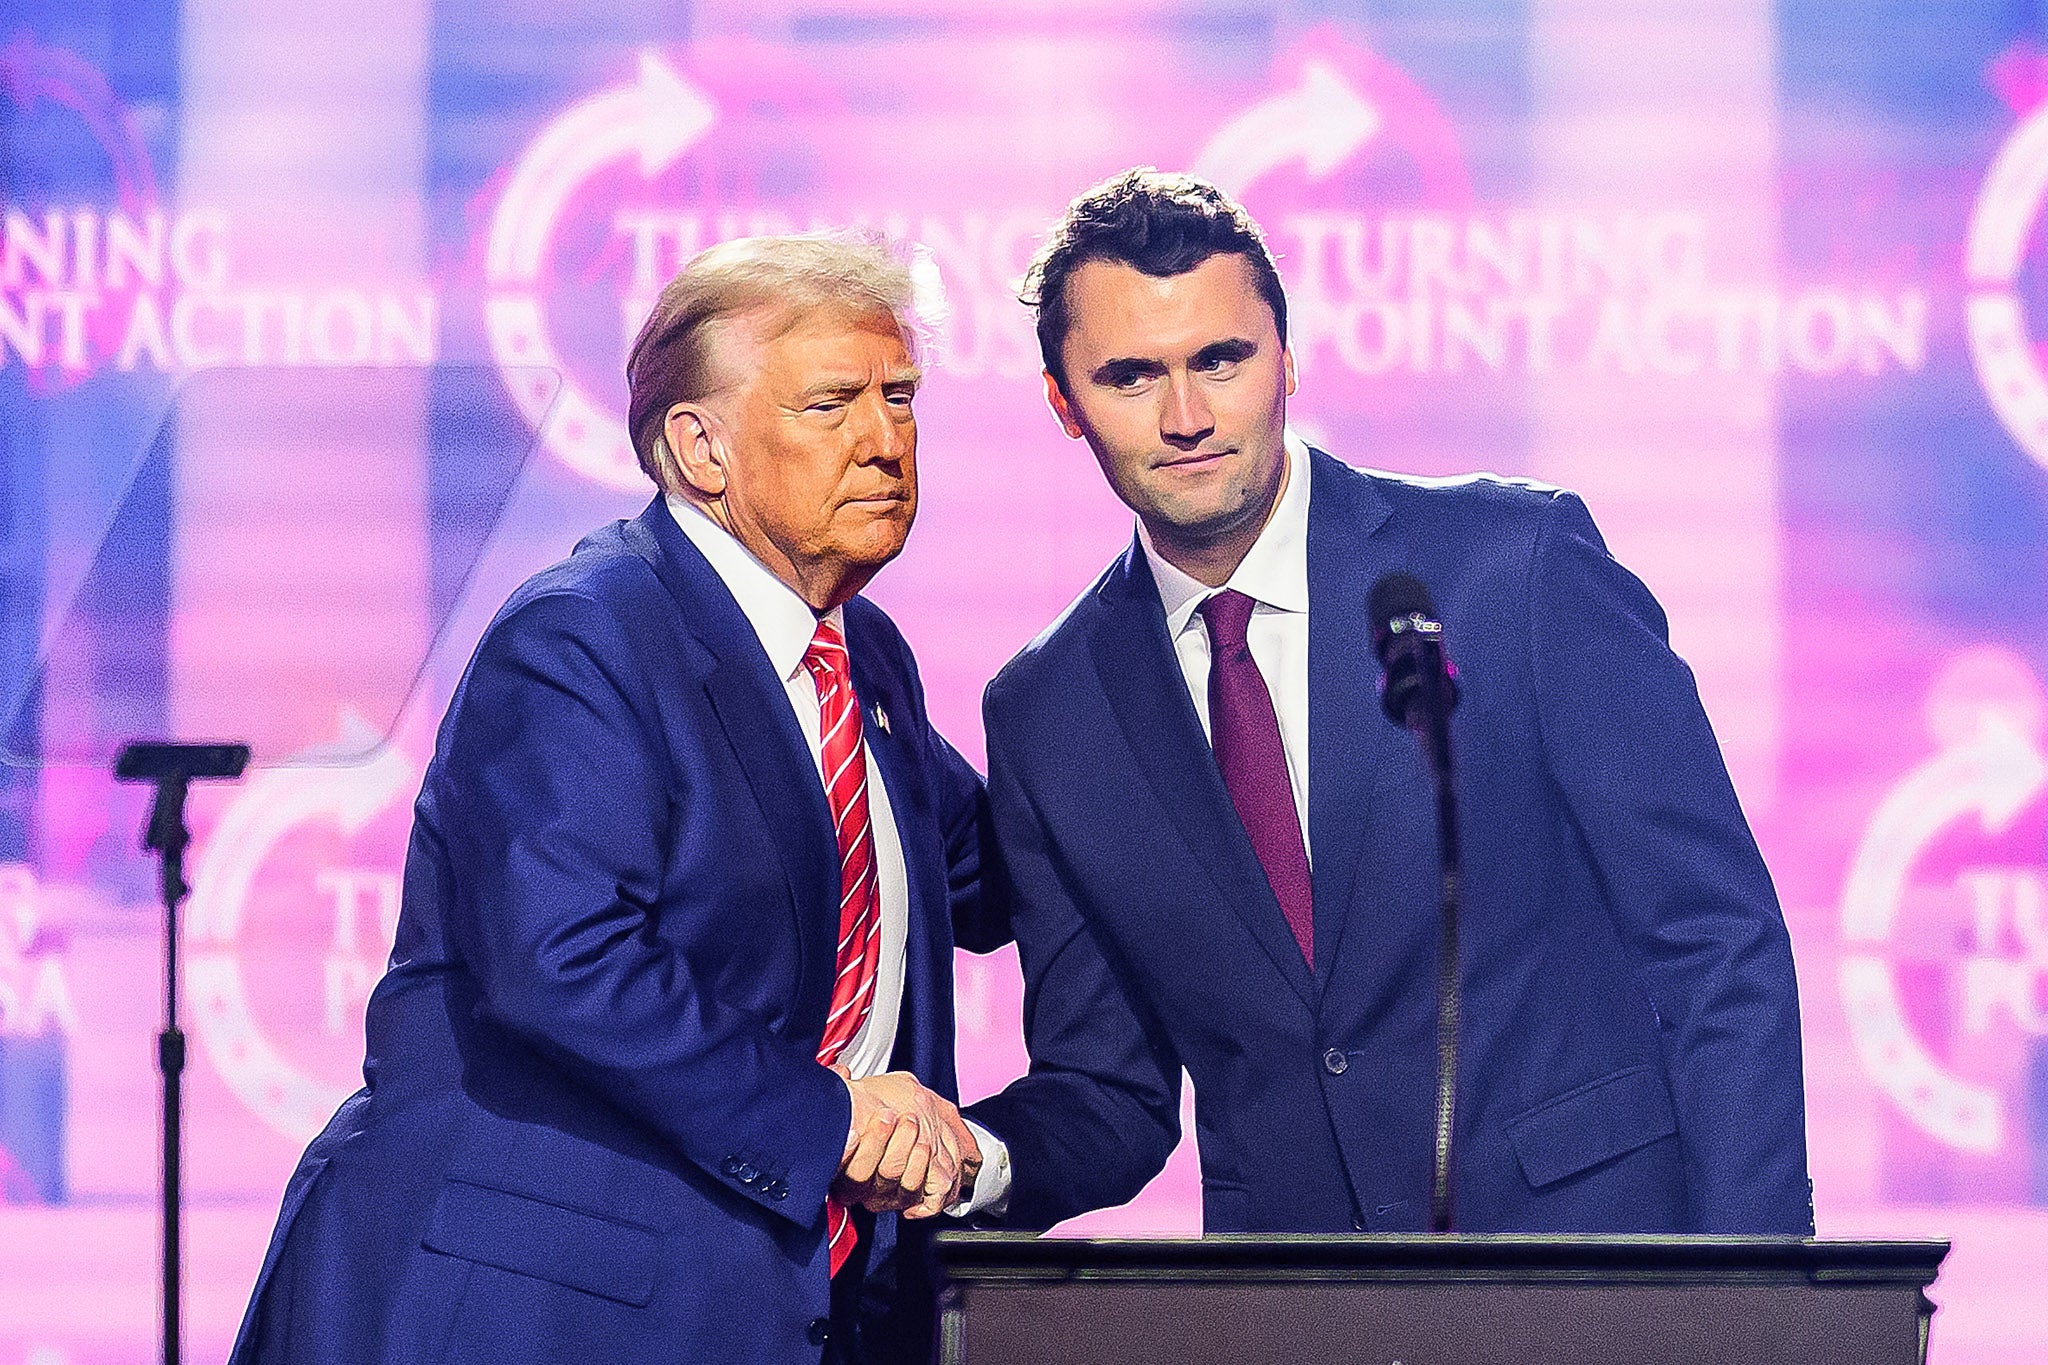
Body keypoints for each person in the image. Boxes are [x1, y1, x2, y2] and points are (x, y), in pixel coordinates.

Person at [962, 171, 1813, 1236]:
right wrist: (966, 1161)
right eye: (1130, 377)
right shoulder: (1049, 710)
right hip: (1297, 1309)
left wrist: (1758, 1298)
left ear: (1286, 357)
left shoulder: (1515, 570)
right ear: (1062, 402)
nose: (1185, 417)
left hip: (1595, 1277)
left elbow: (1713, 940)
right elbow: (1107, 1088)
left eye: (1219, 360)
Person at [230, 235, 1011, 1365]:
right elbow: (564, 958)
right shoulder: (582, 635)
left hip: (772, 1309)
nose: (884, 442)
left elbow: (991, 881)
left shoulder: (860, 657)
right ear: (700, 448)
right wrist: (830, 1119)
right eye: (830, 404)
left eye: (898, 398)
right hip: (540, 1306)